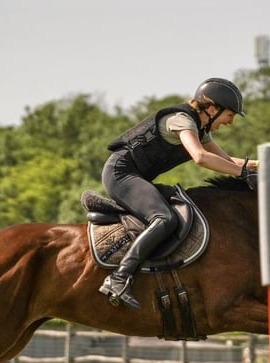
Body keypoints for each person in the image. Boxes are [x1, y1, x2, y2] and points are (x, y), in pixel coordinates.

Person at [98, 78, 258, 310]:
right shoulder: (181, 120)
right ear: (212, 108)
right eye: (230, 115)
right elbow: (200, 157)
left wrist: (262, 165)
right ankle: (119, 278)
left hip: (136, 176)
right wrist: (242, 172)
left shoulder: (199, 128)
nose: (230, 122)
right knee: (164, 218)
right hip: (120, 174)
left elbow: (228, 161)